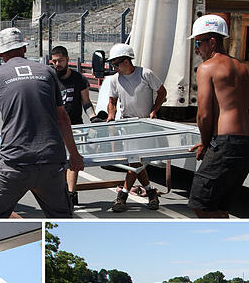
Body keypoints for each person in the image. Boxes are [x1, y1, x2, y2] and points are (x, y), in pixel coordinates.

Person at [0, 28, 84, 218]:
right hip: (51, 161)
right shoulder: (47, 71)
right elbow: (62, 118)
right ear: (23, 48)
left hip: (15, 163)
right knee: (61, 217)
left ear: (1, 52)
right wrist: (75, 155)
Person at [187, 15, 249, 218]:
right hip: (247, 145)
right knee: (221, 207)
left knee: (200, 203)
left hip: (224, 145)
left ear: (212, 42)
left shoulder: (207, 68)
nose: (197, 49)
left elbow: (203, 115)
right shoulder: (247, 70)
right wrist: (245, 126)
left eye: (198, 43)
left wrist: (205, 143)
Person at [105, 43, 167, 212]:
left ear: (127, 61)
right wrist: (111, 117)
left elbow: (162, 92)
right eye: (113, 64)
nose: (115, 67)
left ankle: (123, 196)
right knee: (136, 162)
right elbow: (112, 102)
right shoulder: (115, 79)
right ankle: (150, 193)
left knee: (135, 162)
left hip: (145, 124)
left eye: (116, 64)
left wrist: (154, 110)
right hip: (127, 124)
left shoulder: (145, 74)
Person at [50, 45, 97, 207]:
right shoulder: (49, 78)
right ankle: (61, 192)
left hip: (75, 126)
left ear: (67, 60)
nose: (57, 64)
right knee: (58, 163)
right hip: (54, 128)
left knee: (73, 161)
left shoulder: (78, 79)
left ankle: (71, 193)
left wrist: (93, 118)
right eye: (54, 61)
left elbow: (86, 102)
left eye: (60, 61)